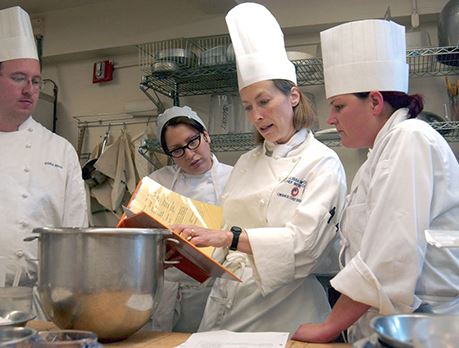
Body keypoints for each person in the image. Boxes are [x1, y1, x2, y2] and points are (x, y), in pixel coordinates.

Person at [171, 2, 347, 333]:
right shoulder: (246, 163)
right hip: (229, 303)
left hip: (288, 311)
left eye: (264, 102)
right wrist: (187, 249)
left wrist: (227, 237)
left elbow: (304, 246)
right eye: (248, 107)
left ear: (293, 95)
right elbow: (222, 235)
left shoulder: (321, 162)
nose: (256, 116)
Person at [292, 19, 459, 343]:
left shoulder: (409, 139)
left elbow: (390, 256)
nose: (331, 118)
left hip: (425, 330)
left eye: (339, 106)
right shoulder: (381, 153)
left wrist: (329, 326)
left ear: (374, 101)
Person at [0, 6, 87, 312]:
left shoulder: (59, 150)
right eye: (18, 78)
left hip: (41, 303)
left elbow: (76, 236)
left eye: (36, 81)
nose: (30, 90)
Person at [148, 105, 233, 332]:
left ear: (206, 135)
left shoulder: (236, 178)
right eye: (177, 150)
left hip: (217, 288)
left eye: (192, 141)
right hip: (169, 290)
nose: (189, 154)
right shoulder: (157, 183)